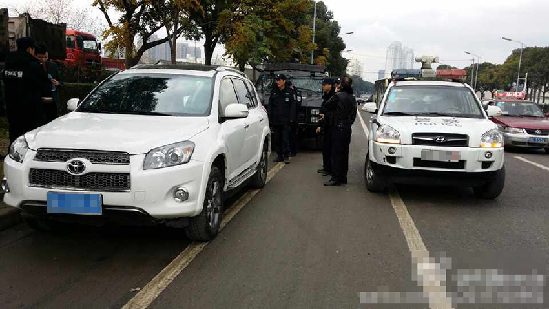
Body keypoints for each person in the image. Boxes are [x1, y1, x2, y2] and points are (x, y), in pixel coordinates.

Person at [3, 37, 51, 145]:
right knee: (29, 137)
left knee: (14, 133)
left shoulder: (8, 61)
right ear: (29, 49)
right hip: (30, 108)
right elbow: (44, 85)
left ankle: (13, 154)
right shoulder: (33, 63)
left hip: (12, 106)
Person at [323, 76, 357, 186]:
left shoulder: (337, 96)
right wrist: (348, 123)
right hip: (347, 127)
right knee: (344, 152)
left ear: (341, 85)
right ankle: (343, 176)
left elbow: (326, 106)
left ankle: (335, 177)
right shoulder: (352, 98)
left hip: (337, 127)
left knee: (336, 153)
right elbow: (353, 114)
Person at [268, 74, 297, 164]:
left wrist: (291, 118)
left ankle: (286, 155)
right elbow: (270, 106)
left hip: (286, 120)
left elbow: (293, 106)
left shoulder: (290, 92)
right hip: (276, 120)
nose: (278, 82)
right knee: (277, 139)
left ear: (284, 81)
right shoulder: (274, 92)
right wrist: (270, 118)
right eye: (277, 80)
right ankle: (279, 155)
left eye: (280, 80)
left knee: (285, 138)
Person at [35, 43, 63, 122]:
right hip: (39, 102)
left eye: (45, 57)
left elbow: (62, 81)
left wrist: (58, 83)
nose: (43, 59)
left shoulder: (53, 66)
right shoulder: (33, 66)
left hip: (52, 102)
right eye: (40, 57)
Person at [316, 77, 335, 176]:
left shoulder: (334, 97)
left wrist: (326, 117)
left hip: (332, 125)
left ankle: (330, 169)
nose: (323, 86)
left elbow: (332, 112)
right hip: (325, 125)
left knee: (330, 149)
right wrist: (320, 125)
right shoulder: (326, 96)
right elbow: (323, 111)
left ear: (330, 85)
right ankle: (326, 167)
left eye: (324, 85)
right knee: (325, 148)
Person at [286, 79, 300, 157]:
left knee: (292, 135)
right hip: (288, 117)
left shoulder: (295, 93)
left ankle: (293, 150)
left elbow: (297, 104)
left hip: (294, 117)